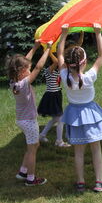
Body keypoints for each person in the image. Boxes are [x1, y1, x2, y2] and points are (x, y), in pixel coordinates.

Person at [57, 23, 102, 192]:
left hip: (73, 115)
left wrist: (64, 34)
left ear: (68, 64)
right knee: (96, 148)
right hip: (91, 114)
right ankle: (99, 182)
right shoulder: (89, 77)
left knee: (79, 151)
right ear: (84, 62)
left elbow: (59, 53)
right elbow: (101, 55)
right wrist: (98, 34)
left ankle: (80, 182)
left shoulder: (64, 75)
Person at [7, 39, 52, 186]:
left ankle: (22, 171)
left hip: (22, 120)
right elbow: (38, 67)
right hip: (29, 121)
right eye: (28, 68)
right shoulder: (24, 83)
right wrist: (47, 49)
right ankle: (31, 179)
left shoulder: (14, 82)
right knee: (32, 150)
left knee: (33, 145)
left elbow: (27, 61)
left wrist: (36, 46)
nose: (30, 69)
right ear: (21, 72)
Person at [38, 51, 70, 147]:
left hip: (56, 95)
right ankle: (59, 141)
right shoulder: (48, 70)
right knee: (60, 119)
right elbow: (56, 62)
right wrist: (49, 51)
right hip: (51, 96)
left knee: (55, 119)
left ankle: (42, 135)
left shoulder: (58, 71)